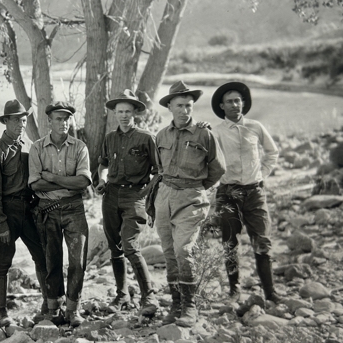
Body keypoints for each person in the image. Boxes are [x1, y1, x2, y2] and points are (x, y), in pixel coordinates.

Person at [152, 81, 226, 326]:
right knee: (169, 252)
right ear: (170, 107)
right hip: (165, 196)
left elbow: (218, 169)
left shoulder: (204, 134)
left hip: (192, 198)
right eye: (179, 106)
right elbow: (159, 167)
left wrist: (197, 188)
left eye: (188, 106)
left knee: (183, 250)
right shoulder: (162, 135)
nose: (184, 110)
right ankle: (175, 305)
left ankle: (189, 307)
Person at [211, 81, 281, 303]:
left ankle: (270, 293)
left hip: (254, 193)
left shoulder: (256, 127)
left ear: (243, 103)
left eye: (237, 101)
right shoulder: (215, 132)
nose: (234, 105)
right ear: (222, 106)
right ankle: (234, 290)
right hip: (228, 193)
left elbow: (272, 152)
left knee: (262, 241)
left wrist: (262, 174)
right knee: (230, 243)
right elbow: (209, 161)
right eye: (229, 101)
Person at [94, 90, 160, 317]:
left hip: (135, 195)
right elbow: (103, 163)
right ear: (114, 113)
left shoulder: (146, 138)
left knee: (130, 244)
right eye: (120, 111)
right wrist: (102, 181)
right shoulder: (110, 138)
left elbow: (158, 172)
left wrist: (145, 194)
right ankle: (122, 295)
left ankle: (148, 296)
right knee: (115, 247)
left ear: (135, 114)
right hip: (111, 195)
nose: (124, 116)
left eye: (128, 112)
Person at [0, 100, 49, 326]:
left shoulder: (29, 147)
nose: (21, 124)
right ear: (6, 122)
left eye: (23, 120)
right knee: (3, 261)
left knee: (41, 255)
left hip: (27, 210)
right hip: (6, 212)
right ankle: (1, 311)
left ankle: (48, 304)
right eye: (16, 121)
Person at [29, 101, 92, 327]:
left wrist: (53, 178)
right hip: (47, 210)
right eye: (58, 118)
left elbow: (83, 182)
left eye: (66, 119)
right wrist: (68, 182)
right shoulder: (37, 148)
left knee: (78, 261)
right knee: (52, 260)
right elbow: (35, 184)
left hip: (74, 208)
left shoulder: (79, 147)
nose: (63, 123)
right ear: (49, 121)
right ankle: (53, 309)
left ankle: (73, 309)